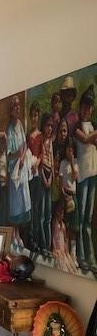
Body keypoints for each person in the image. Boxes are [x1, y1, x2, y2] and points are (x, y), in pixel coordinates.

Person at [74, 84, 97, 273]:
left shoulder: (93, 126)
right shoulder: (76, 126)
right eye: (84, 106)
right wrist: (91, 136)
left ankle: (91, 257)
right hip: (81, 176)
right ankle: (81, 256)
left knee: (88, 218)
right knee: (81, 218)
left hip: (93, 174)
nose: (87, 110)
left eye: (90, 107)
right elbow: (86, 139)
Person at [6, 96, 31, 250]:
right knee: (15, 204)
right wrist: (18, 155)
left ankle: (18, 234)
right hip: (14, 170)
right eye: (14, 107)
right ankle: (14, 234)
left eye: (18, 106)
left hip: (22, 167)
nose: (17, 109)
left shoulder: (20, 125)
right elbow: (9, 154)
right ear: (11, 110)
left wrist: (23, 158)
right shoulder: (9, 129)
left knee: (22, 202)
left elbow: (25, 144)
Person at [59, 140, 79, 266]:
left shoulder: (75, 162)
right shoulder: (62, 163)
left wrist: (72, 161)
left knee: (74, 225)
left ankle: (73, 253)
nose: (69, 151)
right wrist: (64, 194)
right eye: (68, 149)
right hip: (65, 195)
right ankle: (65, 250)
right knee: (65, 224)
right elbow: (61, 181)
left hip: (73, 195)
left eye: (71, 149)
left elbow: (76, 177)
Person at [27, 100, 42, 251]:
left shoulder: (40, 135)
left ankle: (36, 239)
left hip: (37, 176)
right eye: (32, 116)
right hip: (29, 176)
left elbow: (43, 152)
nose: (33, 119)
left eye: (35, 116)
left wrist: (37, 163)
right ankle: (30, 239)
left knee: (36, 208)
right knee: (30, 207)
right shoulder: (27, 136)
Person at [39, 113, 54, 257]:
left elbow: (52, 162)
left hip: (50, 176)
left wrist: (52, 178)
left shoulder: (50, 142)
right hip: (43, 176)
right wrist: (45, 179)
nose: (49, 128)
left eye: (51, 126)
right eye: (47, 125)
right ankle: (43, 245)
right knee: (42, 214)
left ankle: (49, 246)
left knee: (48, 215)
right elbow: (41, 163)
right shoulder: (41, 140)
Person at [52, 200, 78, 274]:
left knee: (68, 262)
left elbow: (65, 239)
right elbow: (54, 238)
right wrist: (54, 248)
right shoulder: (55, 223)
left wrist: (66, 250)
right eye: (59, 212)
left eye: (62, 213)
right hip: (58, 249)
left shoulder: (63, 225)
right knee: (62, 263)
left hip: (63, 250)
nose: (60, 215)